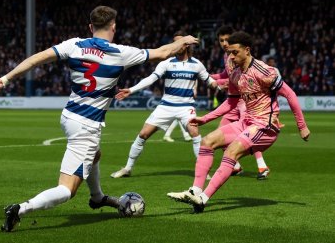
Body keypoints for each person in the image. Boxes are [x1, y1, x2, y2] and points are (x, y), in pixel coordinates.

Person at [0, 6, 199, 232]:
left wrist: (5, 79)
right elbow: (162, 53)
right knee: (67, 190)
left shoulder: (74, 44)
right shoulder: (121, 52)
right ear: (113, 27)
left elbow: (37, 59)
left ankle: (98, 197)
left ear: (90, 27)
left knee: (96, 154)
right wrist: (184, 41)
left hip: (69, 116)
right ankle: (20, 209)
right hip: (86, 125)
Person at [167, 31, 310, 213]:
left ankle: (202, 199)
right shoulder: (235, 73)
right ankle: (195, 191)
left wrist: (302, 126)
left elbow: (289, 94)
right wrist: (205, 118)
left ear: (247, 50)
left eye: (235, 52)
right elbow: (232, 102)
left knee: (232, 152)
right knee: (207, 142)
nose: (231, 56)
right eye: (229, 53)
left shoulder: (264, 71)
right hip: (246, 122)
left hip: (265, 125)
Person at [110, 31, 219, 179]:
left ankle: (203, 172)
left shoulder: (197, 65)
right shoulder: (167, 63)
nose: (176, 45)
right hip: (165, 106)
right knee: (143, 134)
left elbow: (209, 80)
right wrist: (131, 90)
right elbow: (150, 79)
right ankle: (128, 168)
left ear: (186, 45)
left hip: (186, 107)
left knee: (194, 134)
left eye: (179, 42)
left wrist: (218, 86)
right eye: (174, 42)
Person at [212, 25, 270, 179]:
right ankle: (234, 166)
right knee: (220, 135)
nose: (224, 43)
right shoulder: (227, 57)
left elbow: (241, 78)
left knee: (251, 133)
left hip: (245, 101)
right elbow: (226, 74)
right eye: (221, 40)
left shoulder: (238, 56)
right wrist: (208, 76)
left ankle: (262, 167)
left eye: (227, 40)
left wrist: (221, 82)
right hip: (232, 102)